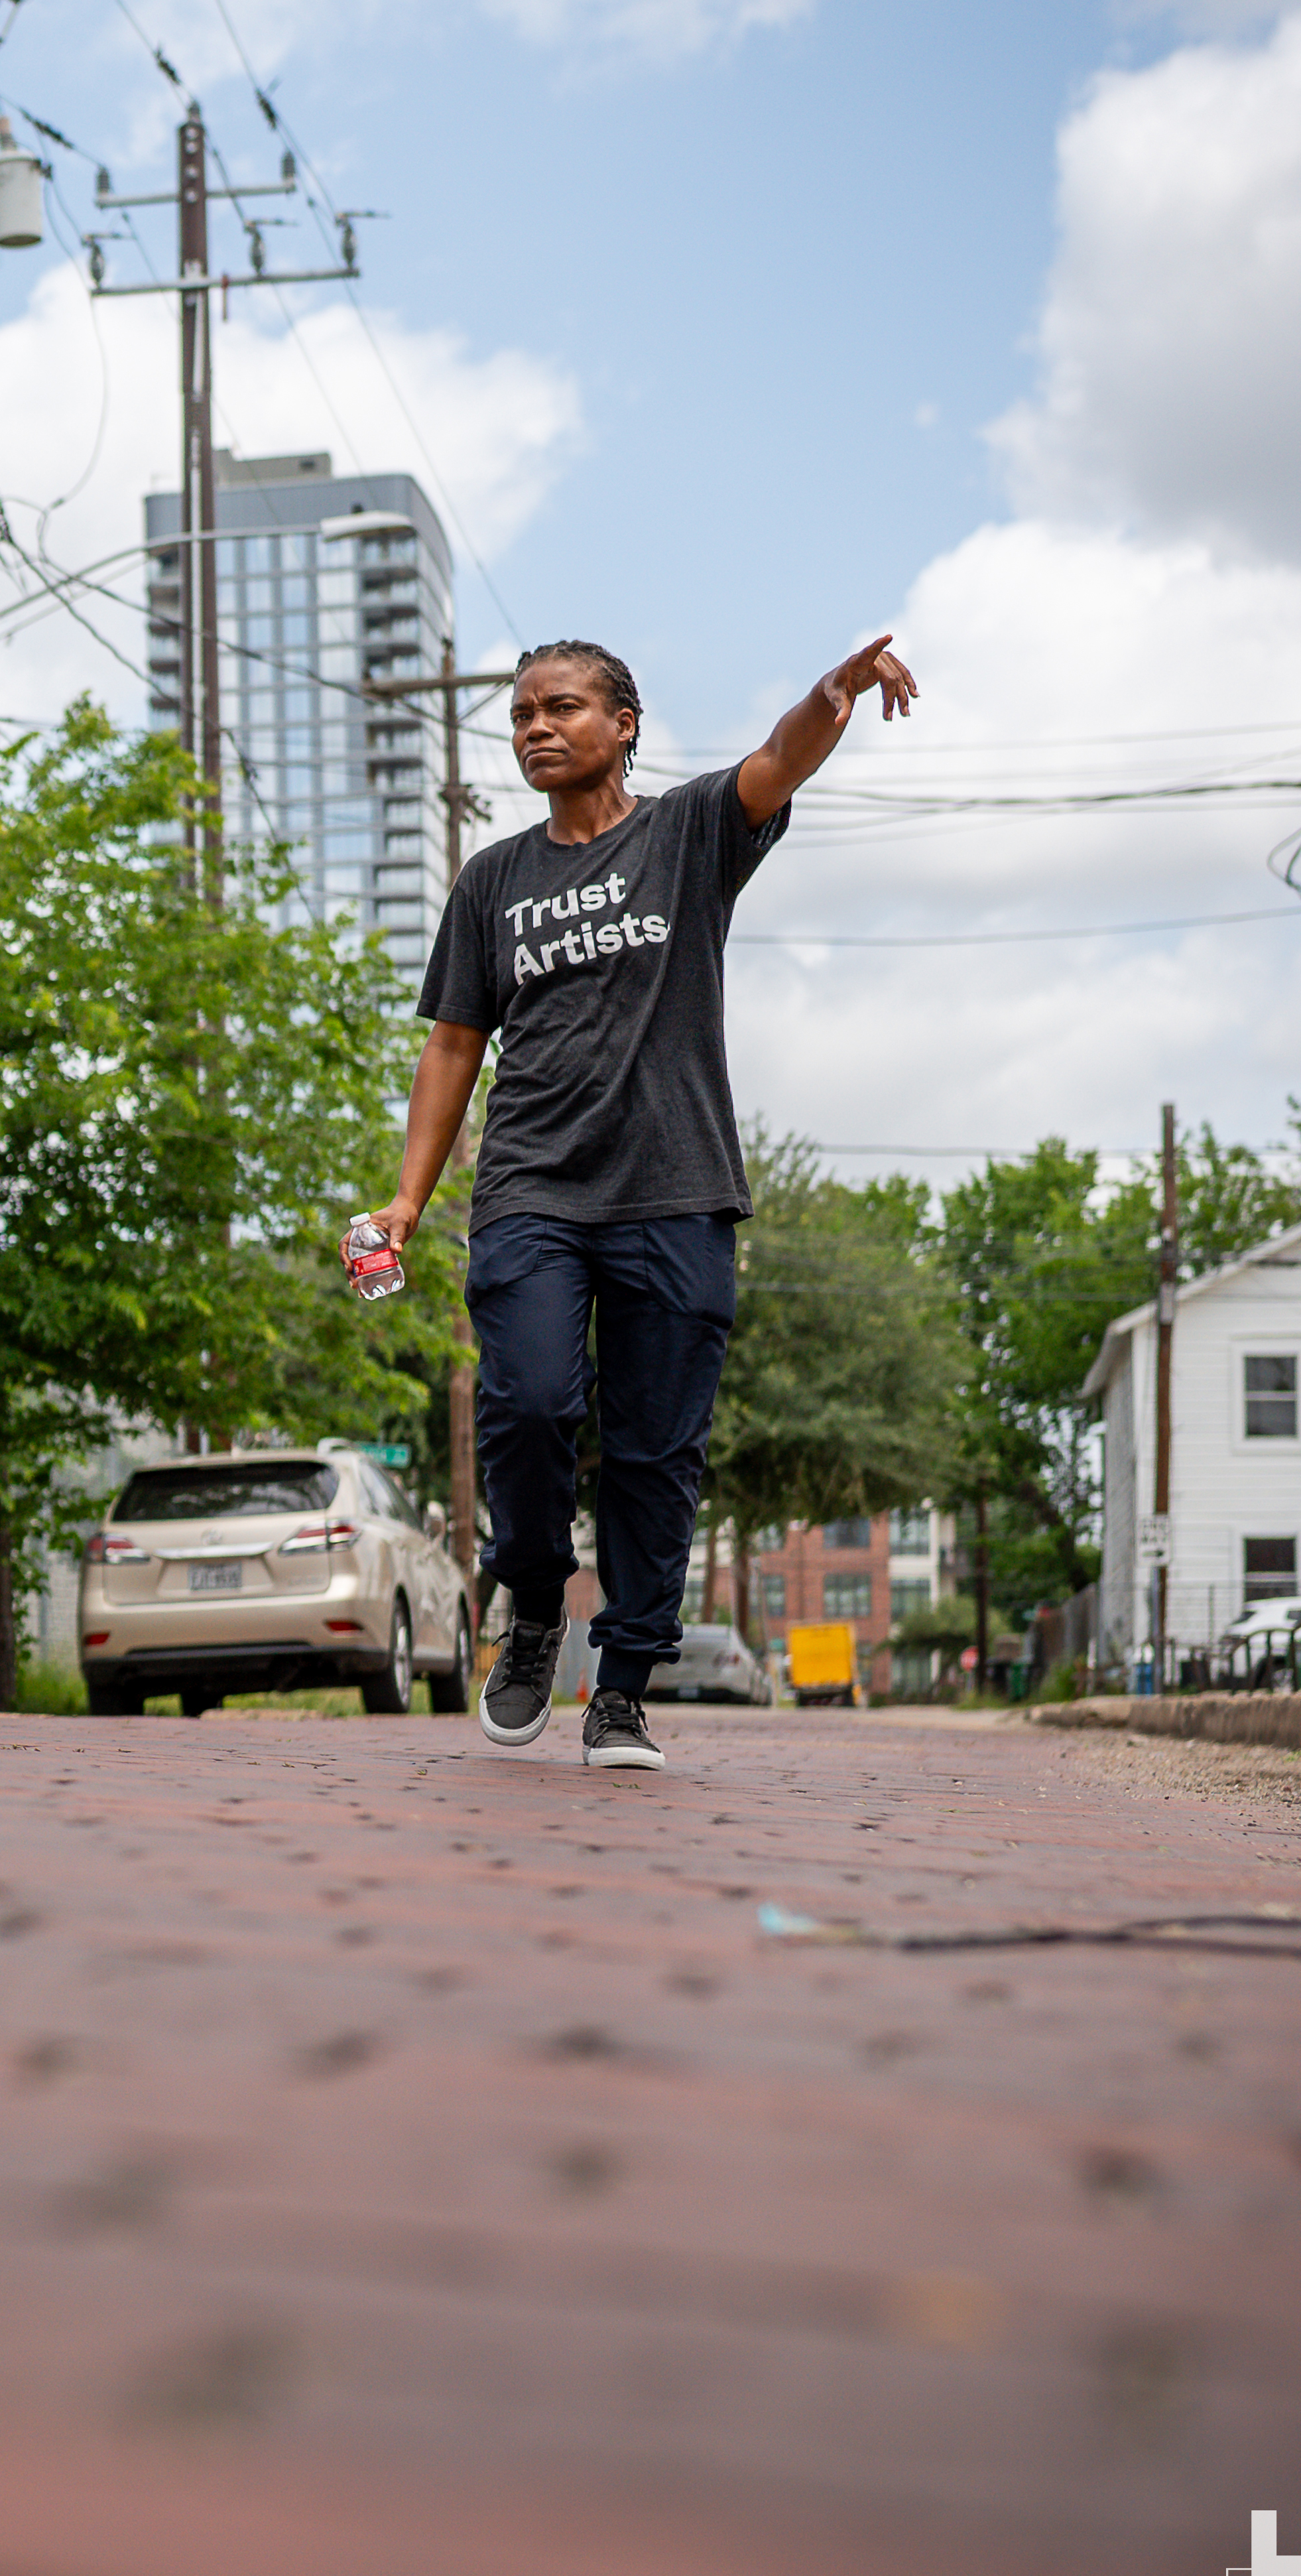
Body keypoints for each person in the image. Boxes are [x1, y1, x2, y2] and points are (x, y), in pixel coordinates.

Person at [367, 631, 919, 1773]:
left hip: (675, 1193)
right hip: (531, 1189)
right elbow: (455, 1043)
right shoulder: (494, 881)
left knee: (655, 1453)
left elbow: (779, 759)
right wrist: (409, 1200)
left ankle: (619, 1690)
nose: (535, 728)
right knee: (524, 1403)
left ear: (624, 723)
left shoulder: (687, 835)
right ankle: (529, 1608)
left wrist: (835, 692)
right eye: (521, 714)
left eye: (561, 707)